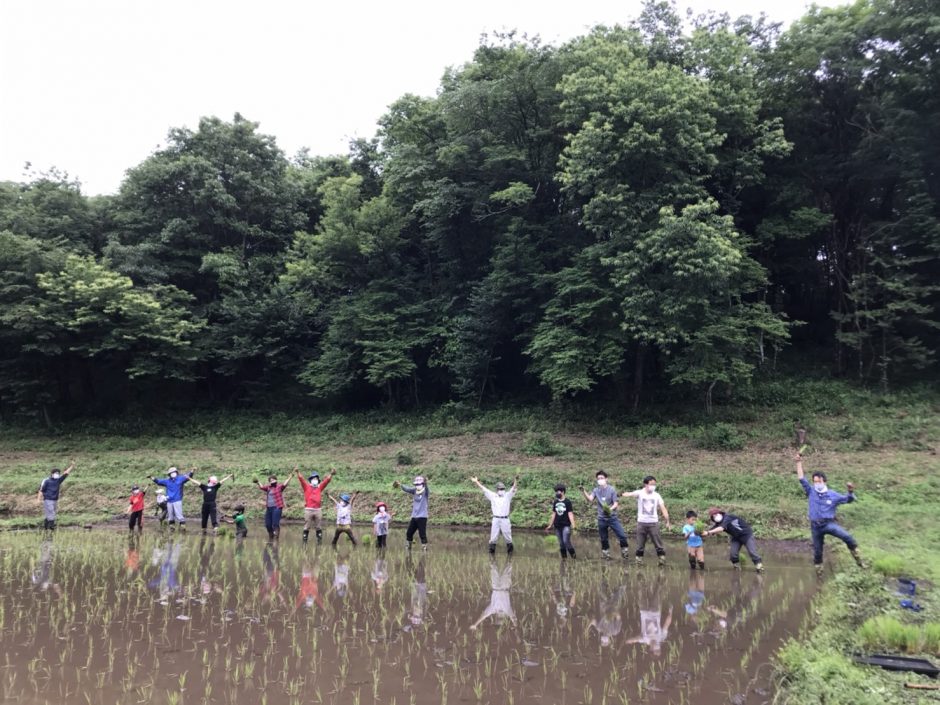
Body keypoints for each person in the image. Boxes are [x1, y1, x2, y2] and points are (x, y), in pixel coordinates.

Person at [795, 452, 864, 574]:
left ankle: (859, 561)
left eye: (819, 481)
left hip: (828, 524)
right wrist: (798, 462)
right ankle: (819, 574)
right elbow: (801, 478)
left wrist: (850, 491)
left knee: (848, 537)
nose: (817, 483)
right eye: (815, 481)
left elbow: (848, 500)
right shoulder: (811, 491)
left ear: (824, 481)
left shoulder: (833, 495)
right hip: (815, 526)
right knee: (817, 552)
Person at [622, 475, 671, 565]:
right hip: (641, 523)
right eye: (651, 484)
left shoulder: (657, 495)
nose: (653, 486)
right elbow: (630, 494)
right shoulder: (640, 493)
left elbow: (663, 508)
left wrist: (667, 521)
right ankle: (638, 561)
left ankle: (662, 560)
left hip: (653, 523)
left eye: (654, 484)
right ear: (645, 484)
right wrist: (623, 494)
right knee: (640, 544)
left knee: (658, 543)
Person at [581, 470, 629, 560]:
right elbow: (590, 499)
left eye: (602, 478)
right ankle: (606, 555)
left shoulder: (611, 489)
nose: (600, 480)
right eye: (598, 478)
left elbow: (615, 503)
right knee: (603, 538)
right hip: (601, 518)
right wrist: (583, 491)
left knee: (622, 536)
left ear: (606, 479)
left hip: (612, 517)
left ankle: (625, 553)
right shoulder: (596, 490)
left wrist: (609, 509)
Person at [702, 508, 764, 572]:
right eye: (713, 516)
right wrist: (703, 533)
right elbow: (712, 530)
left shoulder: (728, 517)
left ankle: (759, 566)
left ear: (720, 513)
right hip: (736, 537)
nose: (715, 516)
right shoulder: (718, 523)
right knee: (733, 554)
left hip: (746, 534)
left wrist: (708, 532)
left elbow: (721, 528)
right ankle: (737, 567)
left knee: (752, 552)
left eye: (716, 514)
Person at [470, 475, 518, 554]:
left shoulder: (507, 496)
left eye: (502, 489)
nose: (501, 490)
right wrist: (476, 482)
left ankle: (510, 555)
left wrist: (516, 480)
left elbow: (514, 487)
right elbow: (483, 488)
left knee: (508, 537)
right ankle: (492, 556)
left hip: (505, 519)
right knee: (493, 537)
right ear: (497, 490)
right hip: (496, 519)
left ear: (504, 489)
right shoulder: (493, 496)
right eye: (499, 489)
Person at [469, 558, 517, 630]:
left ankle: (492, 551)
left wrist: (475, 624)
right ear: (504, 619)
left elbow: (483, 616)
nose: (499, 620)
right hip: (504, 586)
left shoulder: (493, 609)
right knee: (508, 566)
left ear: (496, 618)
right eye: (500, 621)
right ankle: (510, 551)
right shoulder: (507, 611)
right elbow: (514, 619)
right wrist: (515, 626)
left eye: (497, 621)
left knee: (493, 567)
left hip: (496, 587)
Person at [149, 467, 194, 531]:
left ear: (176, 473)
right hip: (169, 501)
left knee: (179, 514)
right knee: (170, 515)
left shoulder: (180, 479)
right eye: (171, 473)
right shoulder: (167, 481)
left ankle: (183, 526)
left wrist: (192, 471)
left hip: (177, 500)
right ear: (169, 474)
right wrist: (152, 478)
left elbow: (188, 476)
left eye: (174, 472)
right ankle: (172, 527)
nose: (173, 474)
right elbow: (158, 481)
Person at [297, 467, 334, 544]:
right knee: (307, 526)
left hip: (318, 510)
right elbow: (301, 479)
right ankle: (304, 542)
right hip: (308, 509)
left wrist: (331, 474)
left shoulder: (319, 487)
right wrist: (297, 472)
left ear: (318, 480)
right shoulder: (306, 487)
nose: (315, 480)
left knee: (318, 526)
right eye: (313, 479)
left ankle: (319, 542)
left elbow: (326, 481)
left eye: (316, 479)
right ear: (310, 480)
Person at [394, 475, 430, 551]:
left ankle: (424, 548)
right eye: (416, 484)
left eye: (419, 484)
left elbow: (426, 487)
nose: (417, 486)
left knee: (422, 534)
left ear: (422, 484)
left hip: (422, 517)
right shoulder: (414, 490)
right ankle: (408, 548)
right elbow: (407, 489)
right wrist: (400, 484)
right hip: (414, 516)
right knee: (409, 533)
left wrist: (425, 482)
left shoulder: (425, 492)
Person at [37, 462, 74, 531]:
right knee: (52, 513)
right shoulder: (47, 481)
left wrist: (72, 466)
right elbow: (41, 490)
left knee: (49, 514)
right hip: (47, 499)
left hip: (55, 500)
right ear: (52, 474)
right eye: (56, 473)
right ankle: (51, 527)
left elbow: (65, 473)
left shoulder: (58, 480)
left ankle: (46, 527)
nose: (57, 474)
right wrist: (38, 499)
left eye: (58, 473)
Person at [256, 472, 292, 540]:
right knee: (268, 524)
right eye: (271, 480)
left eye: (273, 480)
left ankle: (276, 537)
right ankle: (271, 536)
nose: (272, 481)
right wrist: (258, 482)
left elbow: (285, 484)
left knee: (275, 523)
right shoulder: (268, 488)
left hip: (277, 507)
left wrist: (290, 477)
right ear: (269, 482)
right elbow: (262, 487)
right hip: (269, 508)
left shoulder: (279, 487)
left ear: (276, 480)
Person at [545, 483, 577, 559]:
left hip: (566, 525)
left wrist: (574, 525)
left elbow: (570, 514)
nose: (557, 493)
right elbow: (554, 514)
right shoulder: (555, 502)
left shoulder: (567, 502)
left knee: (566, 542)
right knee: (561, 544)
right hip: (557, 526)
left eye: (558, 491)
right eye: (556, 491)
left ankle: (574, 558)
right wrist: (550, 525)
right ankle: (564, 560)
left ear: (562, 492)